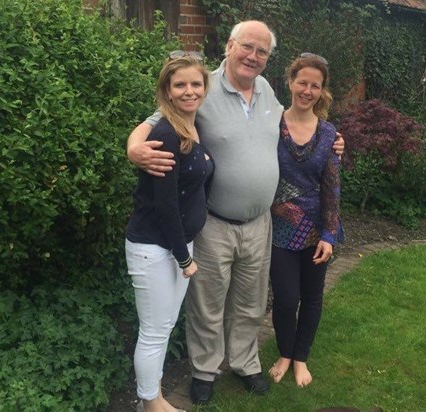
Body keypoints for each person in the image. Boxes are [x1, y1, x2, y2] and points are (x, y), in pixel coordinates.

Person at [126, 20, 345, 405]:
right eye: (247, 47)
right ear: (230, 45)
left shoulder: (266, 91)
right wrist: (133, 148)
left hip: (261, 222)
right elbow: (153, 121)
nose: (253, 57)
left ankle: (245, 363)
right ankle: (204, 371)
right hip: (213, 221)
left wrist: (333, 141)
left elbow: (295, 126)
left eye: (262, 52)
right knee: (207, 302)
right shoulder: (202, 88)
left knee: (250, 300)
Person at [125, 52, 212, 412]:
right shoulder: (166, 134)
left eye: (196, 83)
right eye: (180, 85)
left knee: (163, 326)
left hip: (175, 245)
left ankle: (153, 398)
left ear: (205, 87)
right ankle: (152, 403)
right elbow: (165, 208)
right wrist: (184, 257)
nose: (189, 91)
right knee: (155, 331)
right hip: (156, 248)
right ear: (167, 90)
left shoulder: (192, 125)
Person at [267, 54, 345, 388]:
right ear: (290, 82)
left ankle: (300, 358)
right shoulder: (270, 124)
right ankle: (284, 353)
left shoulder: (329, 134)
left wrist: (329, 234)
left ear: (322, 90)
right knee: (285, 298)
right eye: (303, 83)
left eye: (315, 85)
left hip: (316, 229)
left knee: (312, 297)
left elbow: (332, 188)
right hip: (278, 227)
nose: (308, 90)